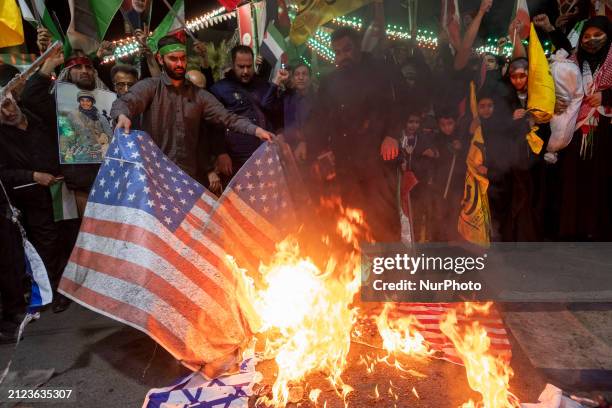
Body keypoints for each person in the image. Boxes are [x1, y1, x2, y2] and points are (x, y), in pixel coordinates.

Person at [111, 36, 274, 179]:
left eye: (183, 58)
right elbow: (125, 102)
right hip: (156, 174)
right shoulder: (150, 87)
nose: (179, 64)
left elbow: (227, 117)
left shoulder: (199, 95)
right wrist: (123, 116)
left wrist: (256, 130)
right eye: (173, 59)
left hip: (188, 177)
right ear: (160, 60)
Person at [307, 27, 402, 242]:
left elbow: (399, 106)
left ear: (358, 47)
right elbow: (318, 118)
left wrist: (392, 135)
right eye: (337, 52)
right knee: (353, 219)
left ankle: (392, 271)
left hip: (377, 160)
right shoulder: (329, 82)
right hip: (345, 163)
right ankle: (360, 269)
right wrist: (320, 150)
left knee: (383, 219)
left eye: (347, 50)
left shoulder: (381, 71)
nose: (342, 56)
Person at [0, 66, 63, 318]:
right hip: (33, 197)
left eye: (9, 102)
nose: (9, 109)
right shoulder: (2, 137)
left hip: (62, 188)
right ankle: (55, 292)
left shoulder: (36, 116)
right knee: (47, 243)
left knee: (68, 236)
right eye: (2, 108)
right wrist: (34, 176)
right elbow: (3, 173)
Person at [558, 16, 612, 240]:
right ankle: (576, 228)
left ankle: (602, 229)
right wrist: (558, 100)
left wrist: (607, 96)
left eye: (597, 35)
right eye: (587, 36)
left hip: (607, 130)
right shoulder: (573, 61)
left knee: (604, 180)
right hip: (577, 129)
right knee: (576, 179)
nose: (592, 40)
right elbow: (562, 89)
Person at [209, 45, 281, 177]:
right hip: (238, 157)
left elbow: (275, 113)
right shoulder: (220, 89)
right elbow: (214, 125)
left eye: (249, 66)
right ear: (233, 65)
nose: (246, 71)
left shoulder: (263, 85)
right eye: (241, 66)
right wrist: (220, 152)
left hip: (266, 152)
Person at [432, 107, 469, 242]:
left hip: (457, 184)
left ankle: (455, 241)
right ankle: (440, 242)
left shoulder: (462, 137)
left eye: (450, 124)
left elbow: (468, 158)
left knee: (455, 212)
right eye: (443, 125)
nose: (446, 128)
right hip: (440, 184)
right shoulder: (437, 138)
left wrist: (461, 148)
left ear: (455, 123)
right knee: (439, 214)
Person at [67, 91, 113, 159]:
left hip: (98, 152)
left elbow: (110, 136)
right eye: (82, 100)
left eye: (88, 101)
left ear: (92, 102)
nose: (85, 103)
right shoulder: (72, 116)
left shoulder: (101, 118)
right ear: (79, 101)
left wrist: (107, 147)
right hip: (80, 152)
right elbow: (68, 132)